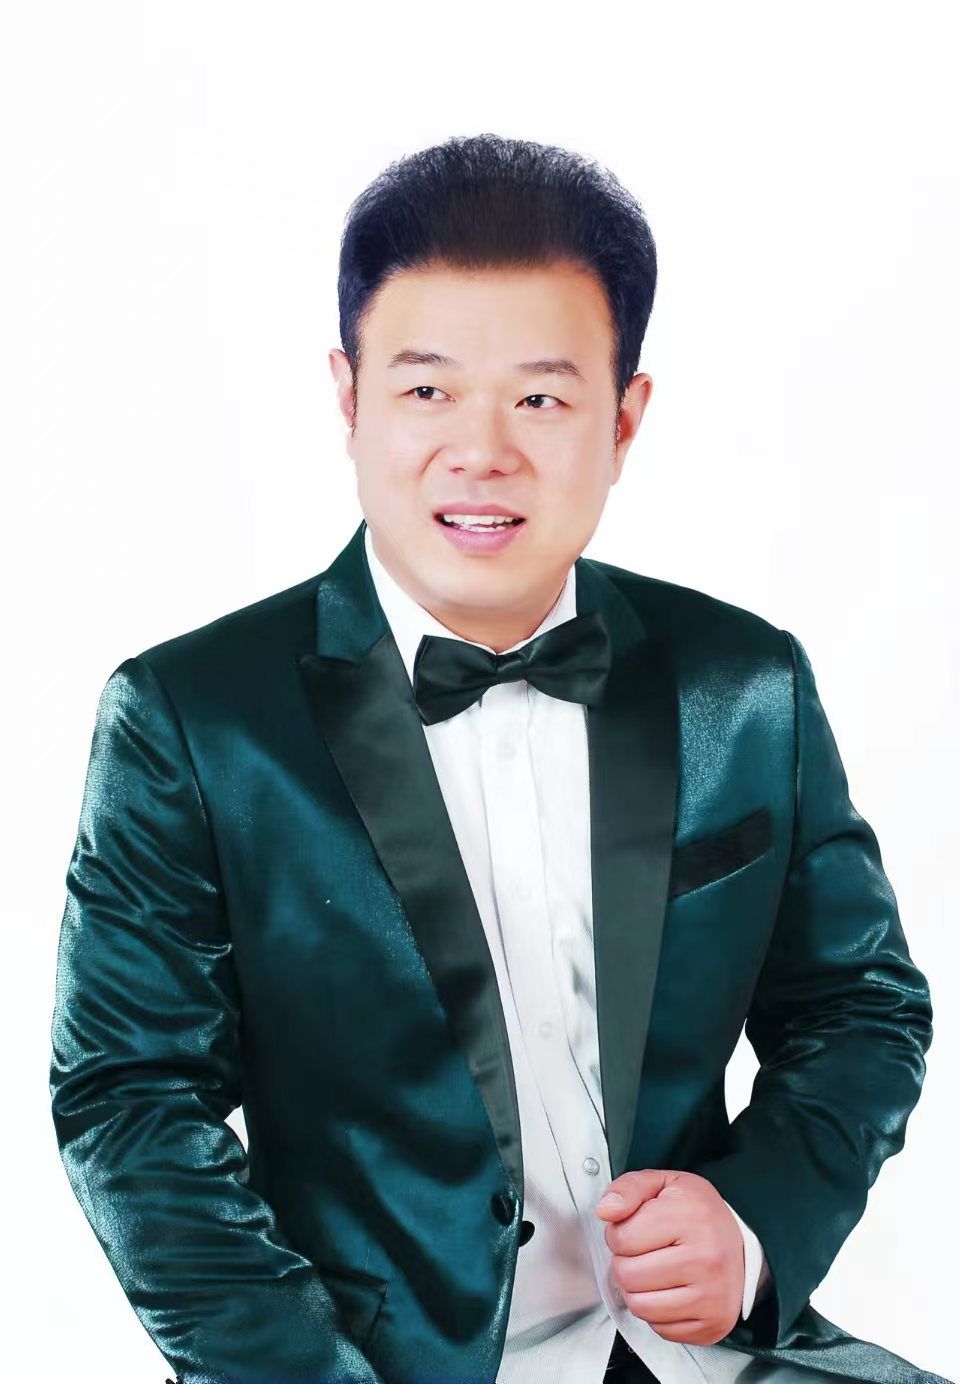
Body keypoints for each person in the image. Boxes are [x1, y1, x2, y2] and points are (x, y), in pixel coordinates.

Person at [49, 133, 943, 1384]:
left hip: (709, 1355)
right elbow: (132, 1101)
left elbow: (860, 1007)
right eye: (427, 392)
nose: (482, 451)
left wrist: (751, 1228)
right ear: (349, 400)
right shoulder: (190, 721)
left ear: (624, 419)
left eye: (540, 398)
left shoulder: (746, 685)